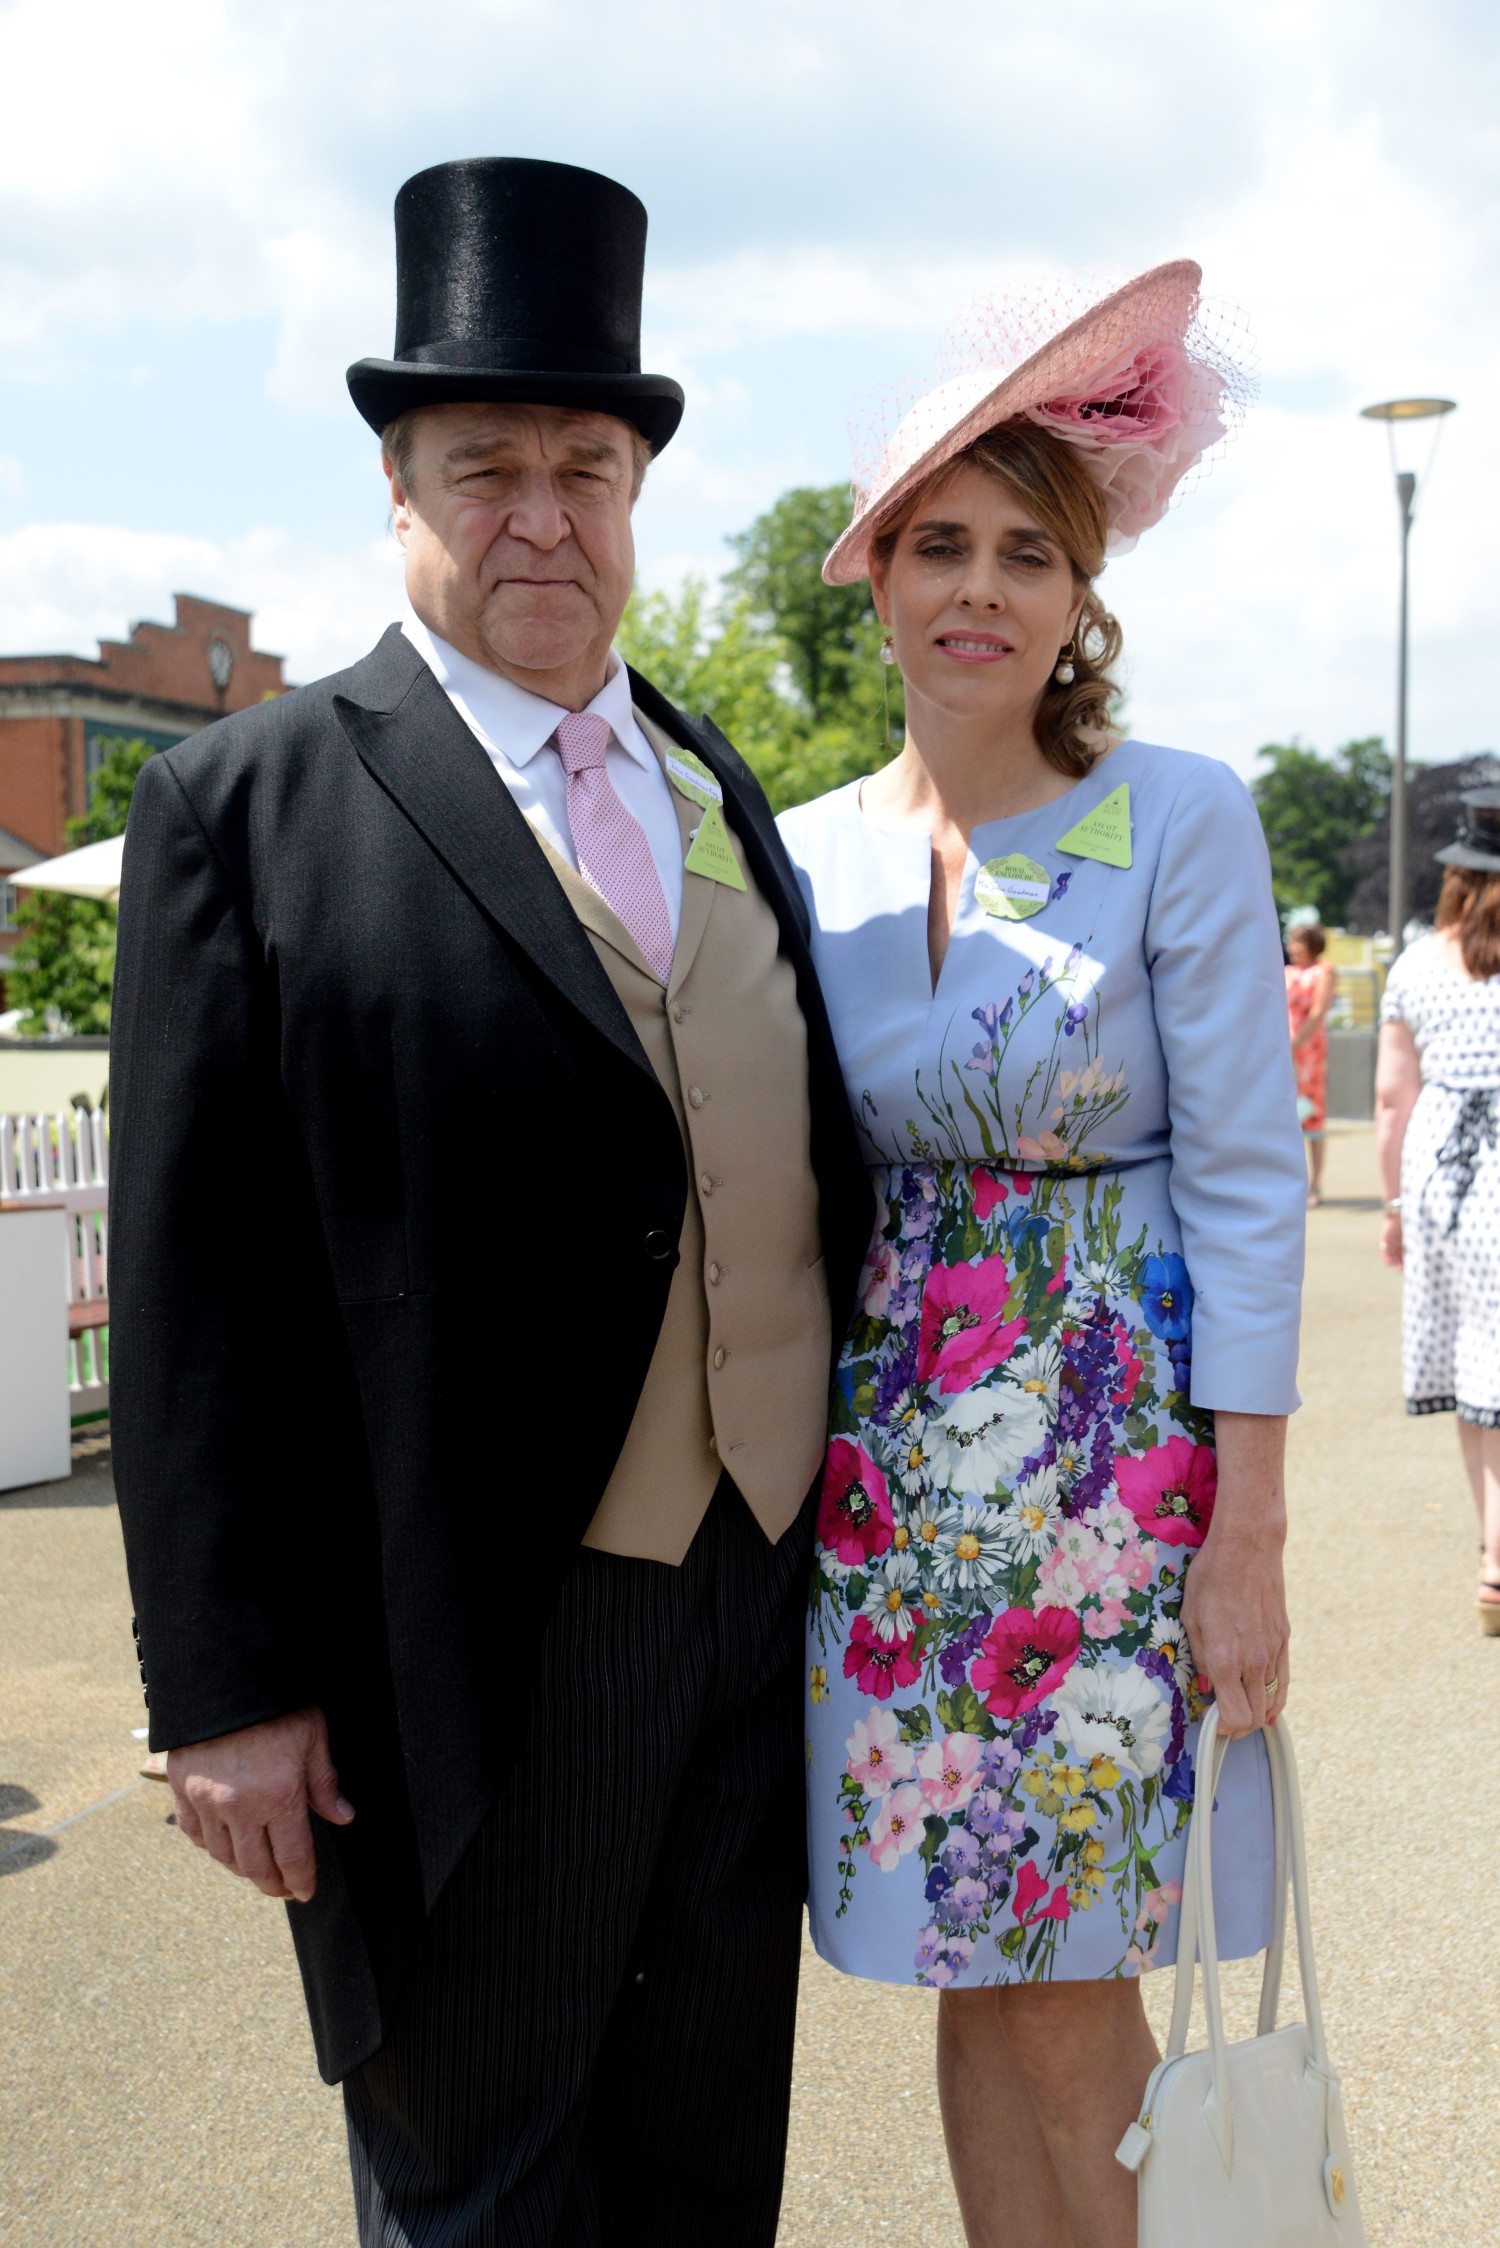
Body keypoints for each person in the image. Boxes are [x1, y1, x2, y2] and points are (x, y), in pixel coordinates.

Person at [109, 157, 871, 2247]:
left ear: (638, 491)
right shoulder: (243, 805)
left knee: (708, 2157)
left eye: (587, 464)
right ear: (399, 490)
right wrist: (222, 1686)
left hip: (750, 1590)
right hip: (467, 1626)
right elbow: (189, 1294)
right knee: (487, 2176)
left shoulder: (716, 780)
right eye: (487, 468)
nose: (544, 512)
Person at [777, 263, 1306, 2248]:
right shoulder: (806, 845)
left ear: (1083, 591)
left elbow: (1254, 1181)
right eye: (939, 544)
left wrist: (1242, 1544)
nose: (978, 588)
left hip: (1109, 1482)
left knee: (1076, 1970)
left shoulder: (1178, 818)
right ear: (885, 576)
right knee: (959, 1956)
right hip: (889, 1494)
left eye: (1026, 549)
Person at [1376, 787, 1500, 1637]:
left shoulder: (1417, 964)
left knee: (1475, 1358)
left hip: (1446, 1183)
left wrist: (1392, 1206)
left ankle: (1495, 1558)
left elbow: (1392, 1100)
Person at [1285, 917, 1338, 1204]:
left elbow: (1318, 1011)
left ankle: (1315, 1184)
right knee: (1286, 1116)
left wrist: (1297, 1042)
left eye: (1298, 942)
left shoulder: (1324, 972)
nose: (1293, 947)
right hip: (1283, 1052)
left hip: (1309, 1052)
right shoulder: (1285, 972)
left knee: (1312, 1116)